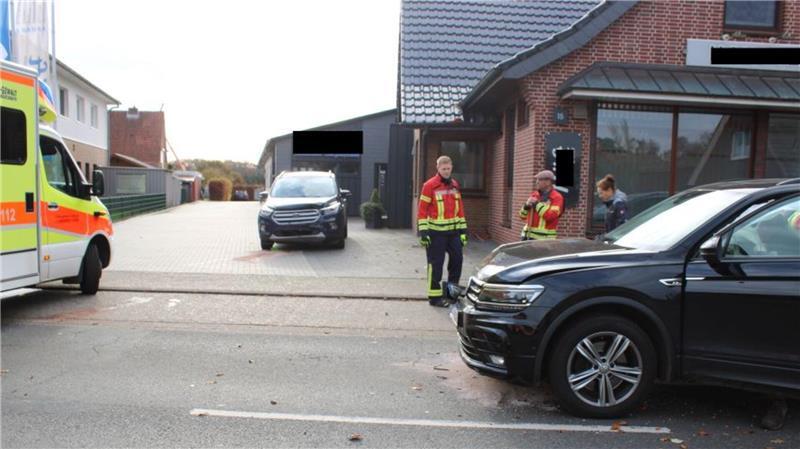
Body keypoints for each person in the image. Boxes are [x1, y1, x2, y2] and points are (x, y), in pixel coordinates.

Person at [417, 155, 467, 307]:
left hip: (453, 234)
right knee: (436, 265)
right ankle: (434, 297)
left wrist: (463, 231)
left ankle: (452, 293)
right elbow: (422, 210)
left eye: (448, 168)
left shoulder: (454, 184)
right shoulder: (429, 185)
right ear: (438, 168)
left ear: (451, 167)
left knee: (457, 260)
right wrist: (423, 233)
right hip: (435, 234)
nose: (446, 171)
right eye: (443, 169)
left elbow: (460, 210)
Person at [519, 170, 563, 241]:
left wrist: (537, 204)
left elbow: (551, 216)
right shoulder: (534, 195)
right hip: (526, 237)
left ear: (548, 182)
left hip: (544, 240)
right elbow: (522, 216)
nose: (536, 182)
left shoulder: (557, 197)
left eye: (539, 180)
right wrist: (526, 206)